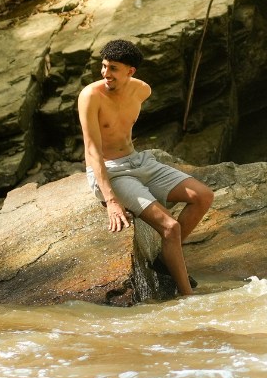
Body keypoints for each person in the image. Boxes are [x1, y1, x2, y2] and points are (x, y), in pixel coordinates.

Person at [79, 38, 215, 297]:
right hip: (111, 170)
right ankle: (188, 297)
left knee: (203, 196)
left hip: (139, 162)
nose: (106, 73)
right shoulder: (90, 96)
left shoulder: (142, 90)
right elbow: (92, 150)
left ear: (130, 71)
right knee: (170, 227)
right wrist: (111, 200)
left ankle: (165, 260)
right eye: (104, 66)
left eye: (113, 68)